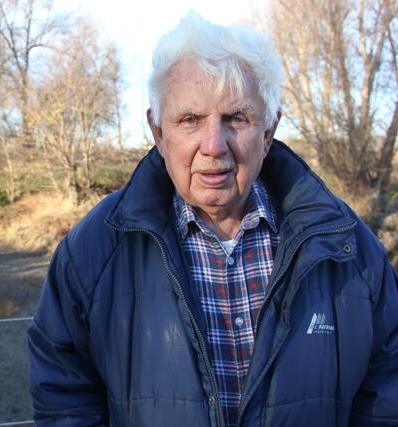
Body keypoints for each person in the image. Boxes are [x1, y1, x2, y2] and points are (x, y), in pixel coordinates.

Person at [27, 11, 398, 427]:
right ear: (158, 132)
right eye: (190, 120)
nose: (213, 145)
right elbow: (64, 398)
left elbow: (388, 393)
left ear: (269, 130)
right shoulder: (94, 250)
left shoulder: (346, 246)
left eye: (237, 118)